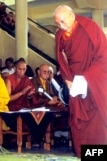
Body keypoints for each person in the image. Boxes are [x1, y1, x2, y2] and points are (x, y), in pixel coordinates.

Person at [53, 5, 107, 157]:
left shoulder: (90, 27)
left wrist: (89, 76)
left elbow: (104, 55)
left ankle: (97, 154)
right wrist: (67, 79)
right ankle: (82, 154)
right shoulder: (59, 36)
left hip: (93, 81)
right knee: (78, 121)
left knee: (96, 121)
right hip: (75, 83)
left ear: (72, 15)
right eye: (57, 24)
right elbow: (61, 61)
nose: (61, 26)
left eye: (63, 22)